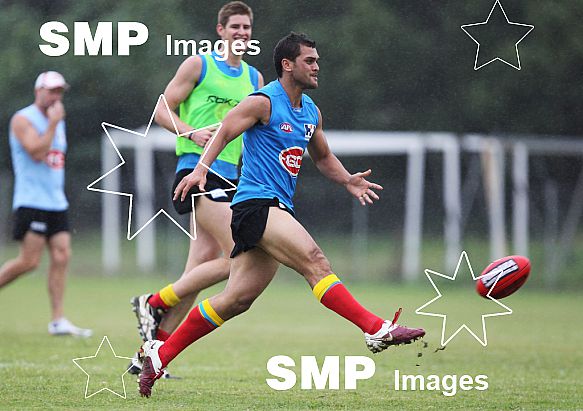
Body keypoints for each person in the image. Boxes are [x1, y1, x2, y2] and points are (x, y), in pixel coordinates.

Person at [138, 32, 425, 398]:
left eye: (317, 60)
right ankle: (375, 327)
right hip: (255, 204)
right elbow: (225, 131)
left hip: (275, 206)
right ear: (287, 65)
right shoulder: (262, 101)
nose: (317, 66)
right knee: (315, 262)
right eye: (310, 60)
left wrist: (347, 179)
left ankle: (159, 354)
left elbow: (322, 157)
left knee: (235, 299)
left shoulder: (310, 111)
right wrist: (199, 170)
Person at [129, 1, 263, 372]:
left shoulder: (254, 79)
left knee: (198, 273)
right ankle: (154, 301)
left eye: (246, 27)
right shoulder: (199, 64)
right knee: (242, 252)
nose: (241, 33)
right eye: (234, 26)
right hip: (197, 172)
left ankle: (149, 357)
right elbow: (161, 109)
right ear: (220, 30)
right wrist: (189, 131)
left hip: (231, 177)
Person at [0, 71, 92, 337]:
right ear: (37, 90)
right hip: (31, 201)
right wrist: (52, 124)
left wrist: (55, 123)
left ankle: (58, 320)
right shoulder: (23, 119)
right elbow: (38, 152)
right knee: (29, 262)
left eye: (59, 91)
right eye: (51, 91)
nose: (55, 96)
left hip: (55, 201)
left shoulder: (57, 119)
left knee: (62, 255)